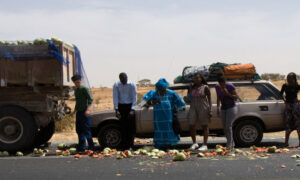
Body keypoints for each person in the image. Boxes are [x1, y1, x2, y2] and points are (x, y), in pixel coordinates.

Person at [143, 78, 185, 150]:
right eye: (160, 90)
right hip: (158, 120)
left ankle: (170, 146)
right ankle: (160, 146)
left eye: (163, 90)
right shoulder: (154, 94)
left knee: (169, 132)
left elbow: (181, 104)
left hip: (168, 119)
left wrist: (178, 109)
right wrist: (152, 102)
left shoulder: (172, 94)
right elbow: (144, 103)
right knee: (159, 132)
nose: (161, 91)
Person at [188, 73, 212, 151]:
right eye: (195, 78)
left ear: (201, 79)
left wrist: (210, 110)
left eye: (198, 78)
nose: (196, 79)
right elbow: (188, 98)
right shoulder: (191, 87)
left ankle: (205, 144)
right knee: (191, 125)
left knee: (204, 126)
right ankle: (194, 143)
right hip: (193, 107)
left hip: (203, 106)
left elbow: (209, 99)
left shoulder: (205, 87)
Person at [113, 72, 137, 149]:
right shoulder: (116, 85)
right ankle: (124, 145)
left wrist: (132, 109)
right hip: (121, 107)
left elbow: (134, 96)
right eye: (122, 80)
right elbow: (115, 96)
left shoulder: (132, 84)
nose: (124, 81)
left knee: (131, 127)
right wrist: (116, 109)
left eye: (125, 79)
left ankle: (131, 145)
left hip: (130, 107)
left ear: (127, 77)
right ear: (120, 79)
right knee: (123, 127)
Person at [71, 74, 94, 152]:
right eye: (76, 82)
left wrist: (88, 110)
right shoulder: (76, 90)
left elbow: (90, 100)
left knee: (86, 130)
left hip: (85, 112)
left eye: (79, 82)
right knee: (79, 130)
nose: (78, 83)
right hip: (79, 112)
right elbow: (77, 102)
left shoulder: (84, 89)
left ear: (80, 81)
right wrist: (74, 111)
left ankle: (91, 147)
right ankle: (82, 147)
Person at [215, 76, 238, 151]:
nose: (223, 85)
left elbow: (236, 97)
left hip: (231, 107)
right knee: (225, 127)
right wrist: (218, 108)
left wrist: (227, 94)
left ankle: (229, 144)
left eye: (224, 83)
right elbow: (218, 98)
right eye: (221, 84)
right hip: (223, 107)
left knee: (228, 126)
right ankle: (232, 143)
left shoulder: (230, 86)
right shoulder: (217, 87)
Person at [280, 72, 300, 147]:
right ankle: (286, 142)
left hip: (296, 107)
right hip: (288, 106)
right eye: (288, 78)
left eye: (290, 78)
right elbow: (280, 94)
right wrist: (284, 100)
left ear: (294, 79)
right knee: (288, 124)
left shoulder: (297, 86)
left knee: (298, 125)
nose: (289, 79)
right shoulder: (285, 86)